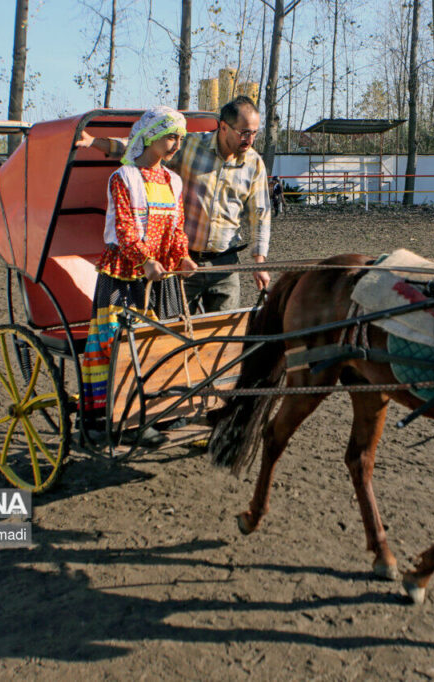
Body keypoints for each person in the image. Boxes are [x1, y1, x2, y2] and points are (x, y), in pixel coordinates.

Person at [77, 96, 272, 313]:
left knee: (223, 333)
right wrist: (95, 142)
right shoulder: (189, 145)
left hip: (225, 265)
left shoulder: (254, 163)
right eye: (244, 132)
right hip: (183, 261)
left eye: (254, 133)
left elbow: (260, 214)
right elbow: (142, 145)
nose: (250, 139)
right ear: (224, 127)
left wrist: (260, 261)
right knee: (174, 330)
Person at [81, 107, 198, 445]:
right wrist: (145, 260)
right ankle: (113, 417)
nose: (176, 144)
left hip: (161, 278)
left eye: (180, 138)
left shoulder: (172, 180)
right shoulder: (123, 178)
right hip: (124, 276)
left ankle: (160, 411)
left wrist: (183, 256)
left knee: (164, 343)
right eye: (171, 136)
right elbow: (125, 228)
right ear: (150, 136)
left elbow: (176, 228)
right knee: (119, 346)